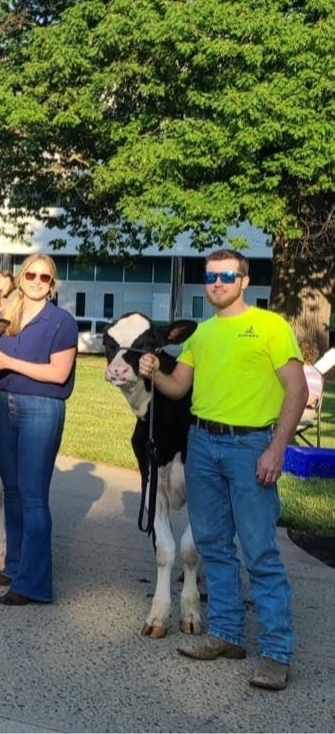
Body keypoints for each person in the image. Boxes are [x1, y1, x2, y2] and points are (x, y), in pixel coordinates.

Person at [139, 249, 305, 690]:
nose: (217, 282)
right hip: (202, 442)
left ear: (244, 280)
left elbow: (298, 387)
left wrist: (277, 448)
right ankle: (227, 635)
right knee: (214, 546)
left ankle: (275, 652)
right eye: (210, 276)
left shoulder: (271, 326)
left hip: (251, 444)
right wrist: (155, 373)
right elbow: (178, 388)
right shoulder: (202, 335)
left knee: (260, 552)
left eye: (226, 275)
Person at [0, 253, 77, 606]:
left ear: (53, 285)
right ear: (19, 279)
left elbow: (58, 374)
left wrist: (8, 363)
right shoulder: (3, 319)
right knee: (13, 492)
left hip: (41, 408)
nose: (37, 281)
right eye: (31, 275)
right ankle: (16, 566)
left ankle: (35, 584)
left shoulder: (62, 322)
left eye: (45, 277)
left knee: (34, 495)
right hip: (3, 404)